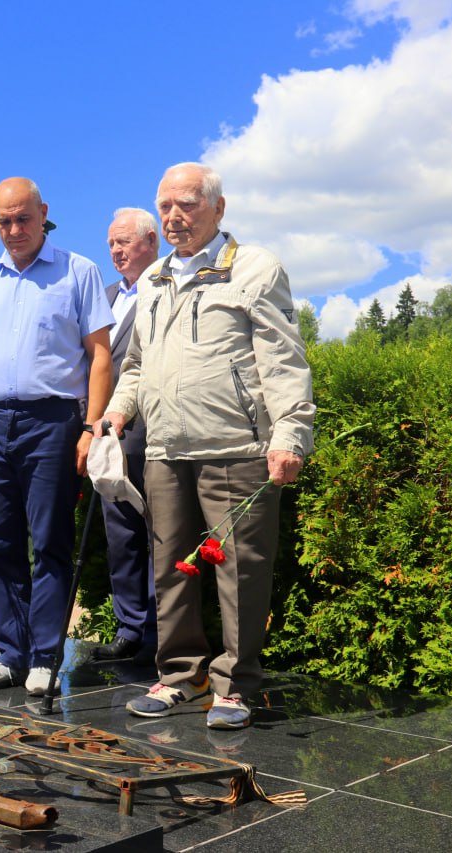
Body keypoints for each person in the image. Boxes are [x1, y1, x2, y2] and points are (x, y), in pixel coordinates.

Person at [102, 162, 314, 729]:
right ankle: (179, 675)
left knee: (239, 570)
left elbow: (283, 360)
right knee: (171, 566)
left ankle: (235, 686)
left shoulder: (255, 269)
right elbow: (138, 364)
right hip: (166, 449)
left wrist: (290, 433)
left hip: (237, 447)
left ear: (218, 210)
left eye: (188, 204)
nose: (174, 216)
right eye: (166, 205)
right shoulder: (152, 281)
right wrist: (117, 413)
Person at [0, 177, 114, 697]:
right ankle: (7, 652)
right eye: (4, 221)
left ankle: (44, 656)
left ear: (43, 213)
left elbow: (100, 355)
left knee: (49, 543)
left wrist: (91, 426)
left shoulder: (78, 272)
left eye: (23, 218)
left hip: (52, 421)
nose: (14, 229)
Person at [91, 208, 161, 662]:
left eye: (124, 241)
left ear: (151, 242)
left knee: (161, 533)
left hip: (153, 430)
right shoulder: (107, 296)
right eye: (112, 243)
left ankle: (162, 633)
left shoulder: (168, 286)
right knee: (120, 535)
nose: (115, 251)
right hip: (108, 434)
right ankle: (130, 628)